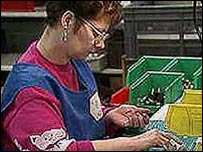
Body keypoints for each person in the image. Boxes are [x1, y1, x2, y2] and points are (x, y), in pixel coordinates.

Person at [1, 1, 177, 151]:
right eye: (96, 33)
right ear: (67, 21)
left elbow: (76, 113)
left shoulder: (74, 60)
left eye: (104, 36)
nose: (100, 44)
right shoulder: (29, 92)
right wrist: (132, 143)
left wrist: (107, 114)